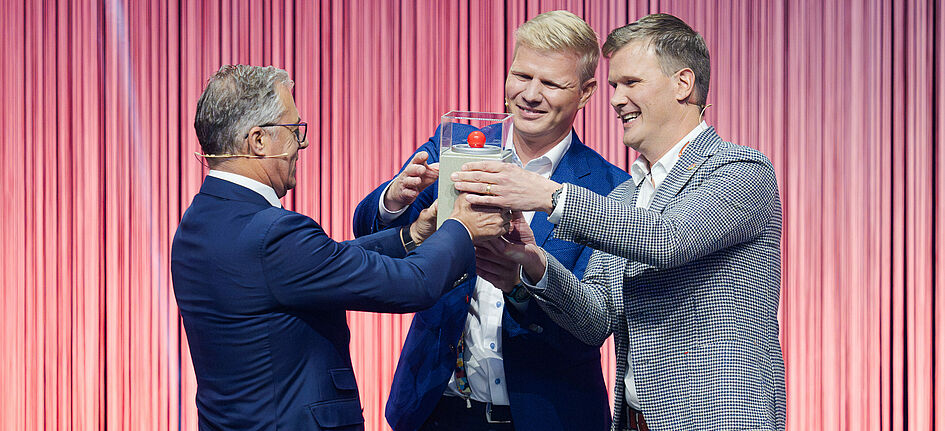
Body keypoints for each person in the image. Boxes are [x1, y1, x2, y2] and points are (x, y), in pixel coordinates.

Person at [451, 14, 787, 431]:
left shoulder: (739, 169)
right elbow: (597, 319)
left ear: (684, 83)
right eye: (613, 86)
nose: (615, 99)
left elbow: (670, 240)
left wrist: (546, 194)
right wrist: (534, 265)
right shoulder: (626, 195)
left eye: (631, 83)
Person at [171, 65, 509, 431]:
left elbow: (324, 263)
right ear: (258, 141)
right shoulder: (273, 234)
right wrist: (460, 226)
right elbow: (415, 284)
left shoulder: (197, 222)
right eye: (293, 130)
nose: (301, 146)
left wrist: (412, 234)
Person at [352, 10, 629, 431]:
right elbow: (372, 237)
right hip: (435, 408)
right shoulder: (455, 148)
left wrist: (523, 285)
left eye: (551, 83)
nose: (530, 94)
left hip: (547, 413)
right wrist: (393, 199)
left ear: (586, 92)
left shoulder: (611, 190)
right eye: (521, 76)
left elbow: (594, 325)